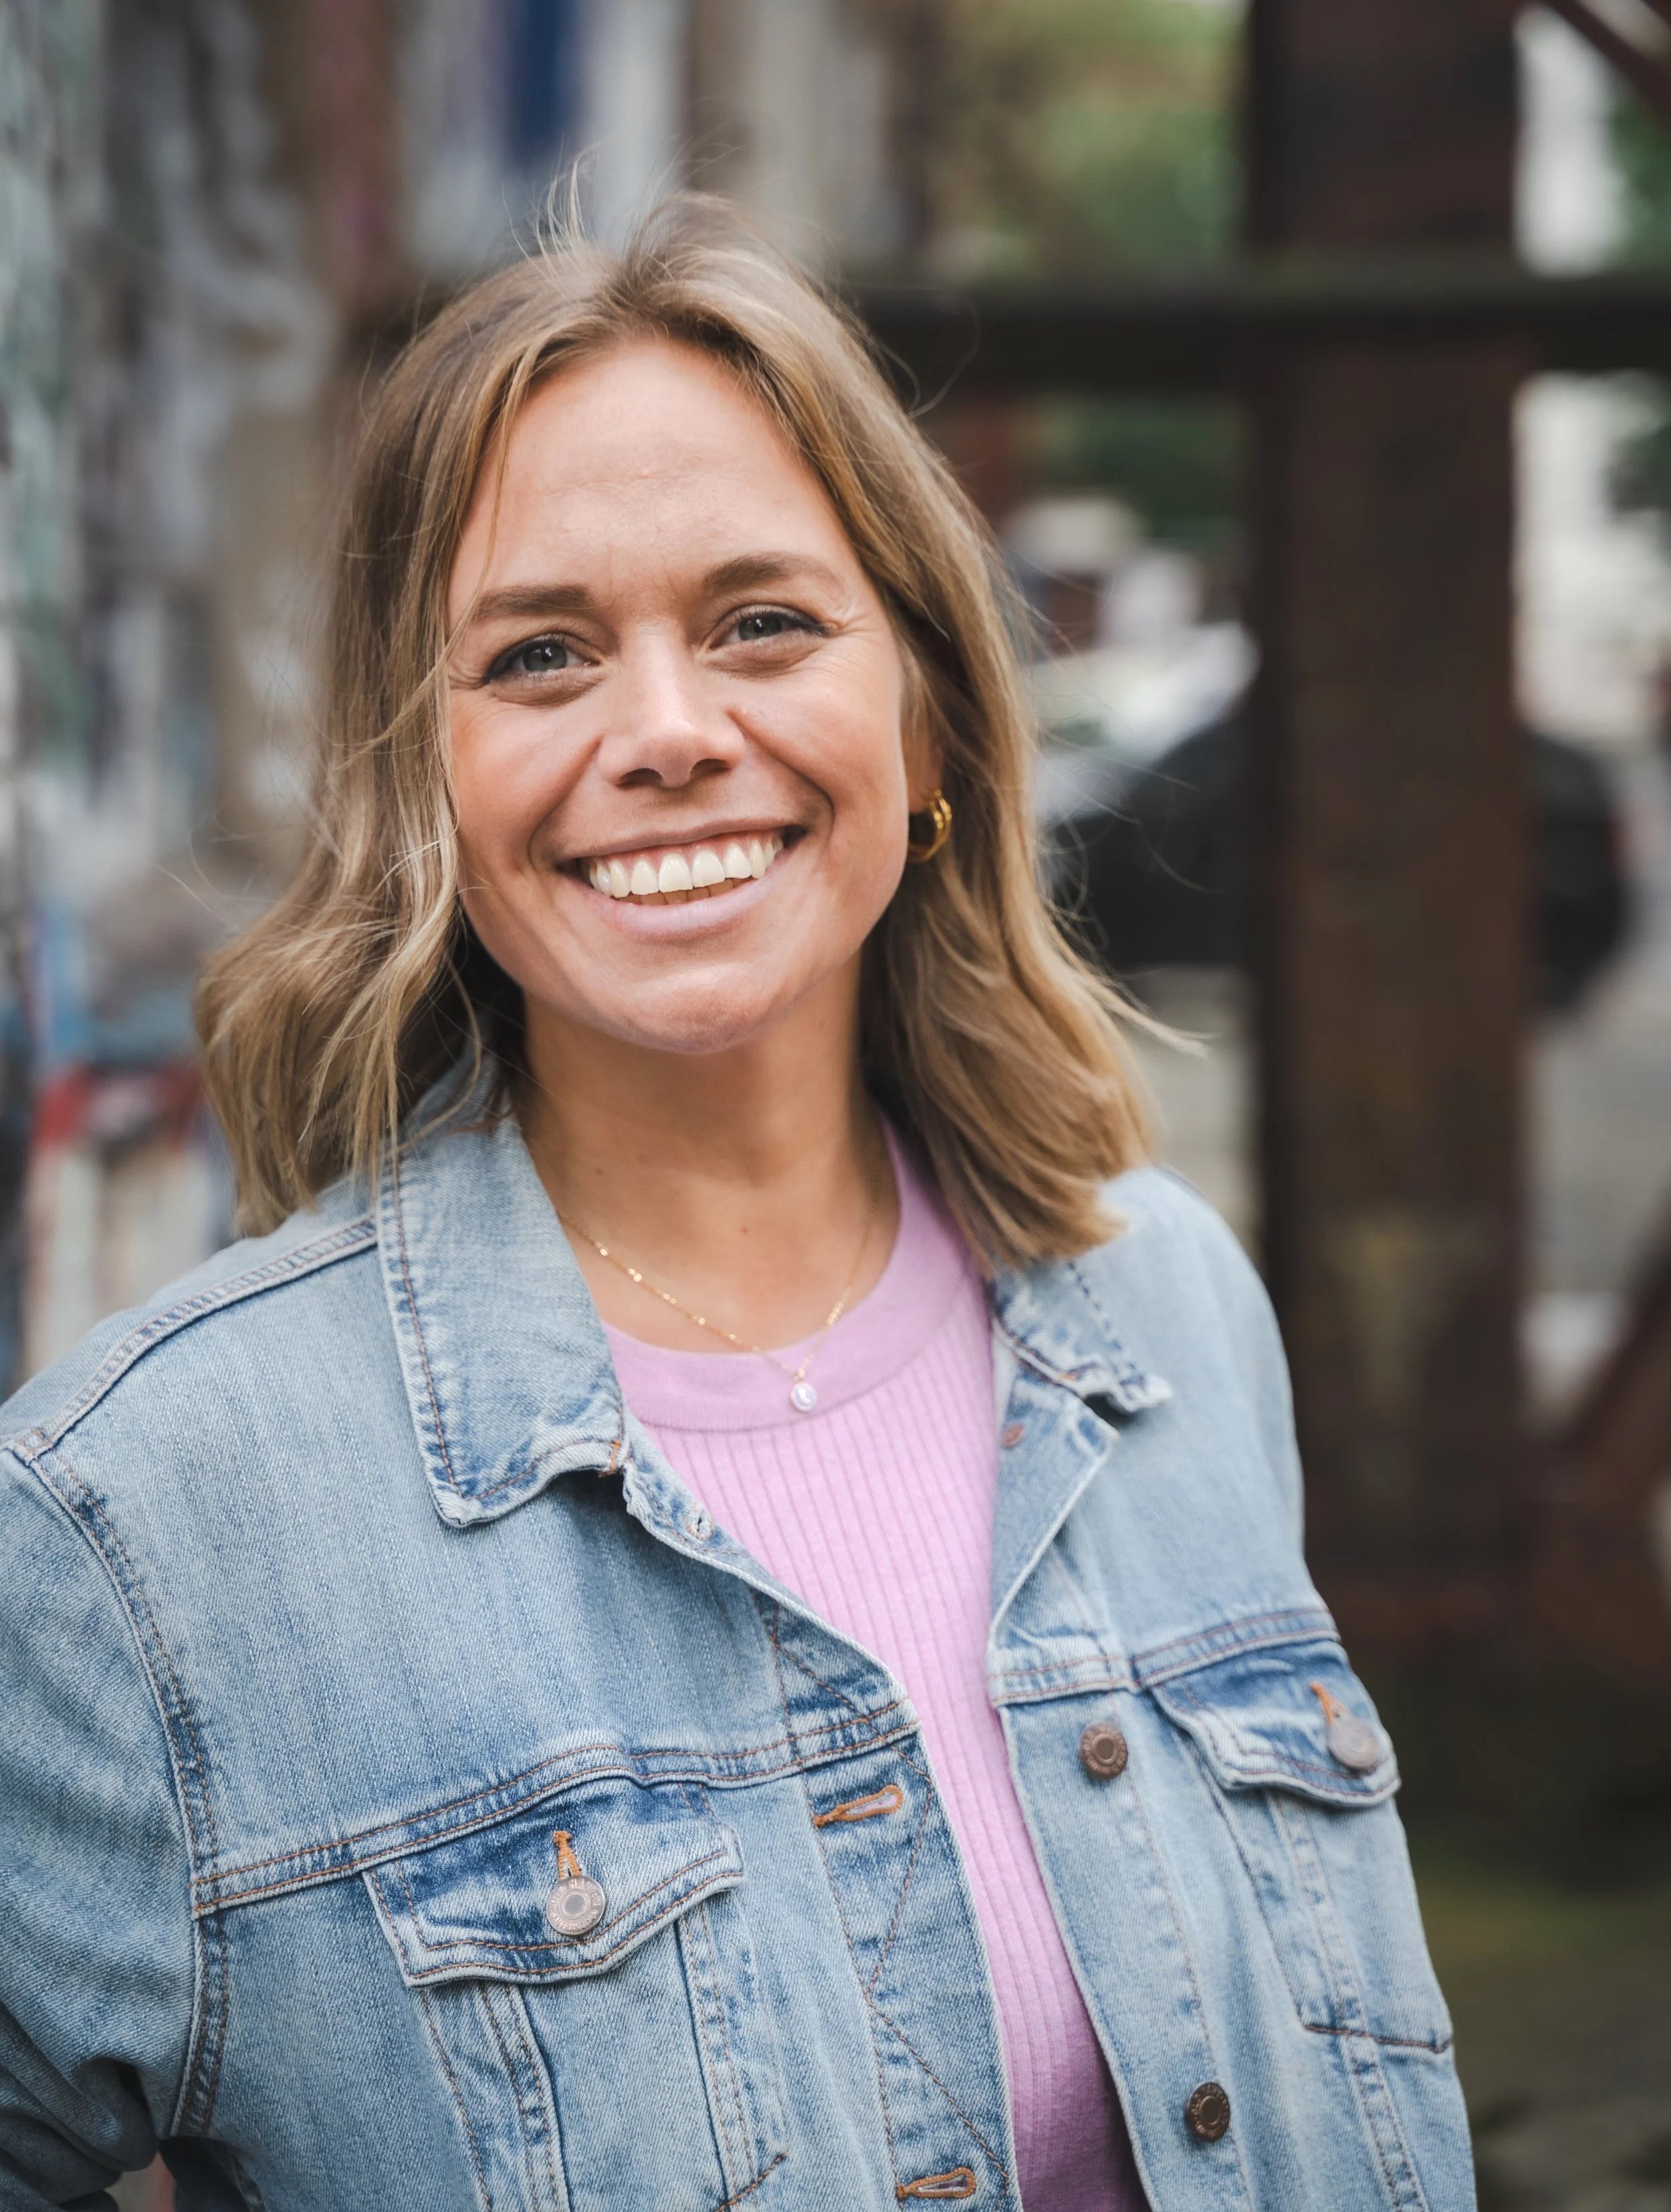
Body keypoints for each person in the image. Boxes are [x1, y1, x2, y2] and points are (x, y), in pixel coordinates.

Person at [0, 203, 1473, 2212]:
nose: (671, 732)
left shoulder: (1165, 1315)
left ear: (926, 713)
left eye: (763, 621)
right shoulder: (150, 1525)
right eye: (539, 655)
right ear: (423, 777)